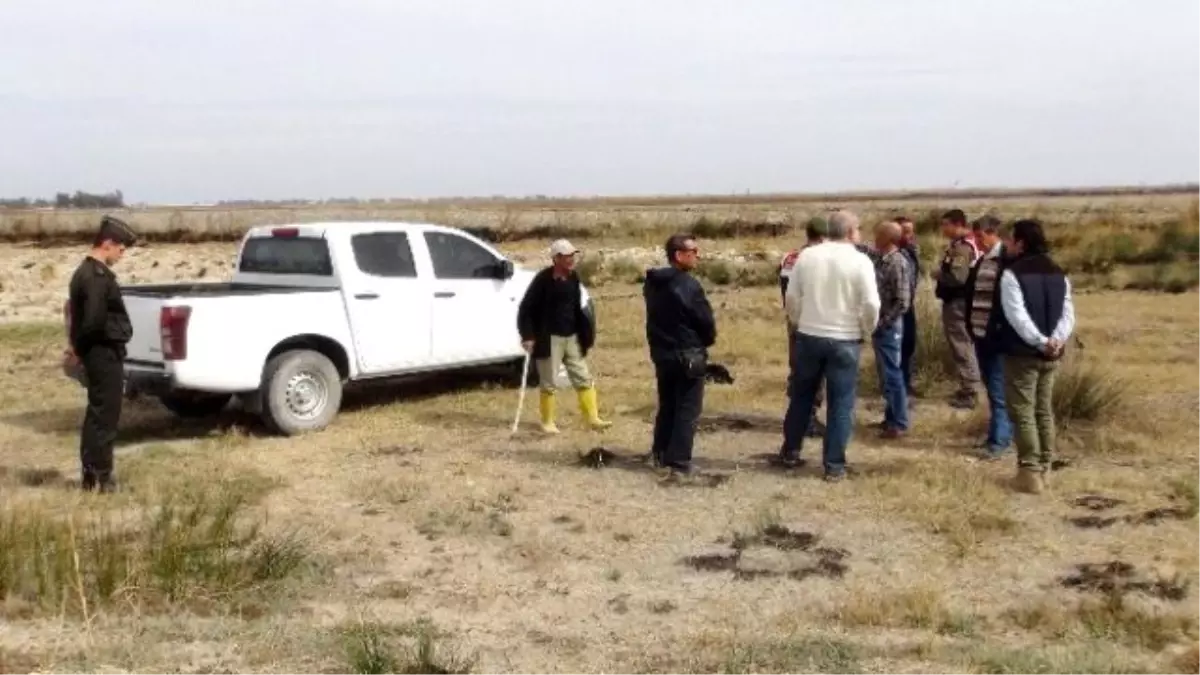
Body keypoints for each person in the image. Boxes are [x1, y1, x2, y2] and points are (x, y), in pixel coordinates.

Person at [776, 210, 880, 481]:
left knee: (801, 396)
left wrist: (799, 323)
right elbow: (871, 303)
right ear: (850, 232)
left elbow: (792, 297)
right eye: (858, 229)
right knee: (841, 403)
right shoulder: (860, 261)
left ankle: (790, 452)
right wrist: (865, 329)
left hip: (809, 335)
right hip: (845, 338)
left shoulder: (807, 257)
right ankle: (834, 466)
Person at [991, 219, 1075, 494]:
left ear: (1022, 243)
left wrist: (1040, 341)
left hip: (1023, 352)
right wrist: (1056, 341)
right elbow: (1067, 314)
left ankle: (1029, 471)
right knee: (1044, 410)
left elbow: (1017, 316)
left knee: (1023, 411)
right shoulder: (1058, 273)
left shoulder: (1012, 274)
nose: (1009, 245)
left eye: (1012, 240)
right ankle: (1046, 467)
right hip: (1052, 354)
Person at [65, 215, 137, 493]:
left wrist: (78, 348)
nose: (122, 253)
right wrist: (81, 350)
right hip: (102, 352)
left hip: (98, 351)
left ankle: (92, 475)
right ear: (107, 243)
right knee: (105, 415)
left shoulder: (85, 272)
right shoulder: (95, 277)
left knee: (98, 413)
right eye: (121, 248)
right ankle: (101, 477)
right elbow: (92, 321)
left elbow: (78, 319)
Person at [516, 239, 611, 434]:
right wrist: (528, 335)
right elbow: (526, 309)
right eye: (567, 256)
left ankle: (593, 418)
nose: (571, 259)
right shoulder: (543, 280)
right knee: (549, 383)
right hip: (549, 339)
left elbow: (576, 308)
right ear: (556, 258)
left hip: (572, 337)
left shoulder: (574, 278)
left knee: (583, 377)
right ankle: (547, 422)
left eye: (572, 256)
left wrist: (584, 334)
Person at [643, 233, 716, 475]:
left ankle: (661, 452)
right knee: (687, 408)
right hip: (688, 354)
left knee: (667, 405)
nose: (698, 255)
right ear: (678, 255)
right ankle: (679, 460)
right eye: (693, 251)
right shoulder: (688, 285)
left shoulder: (653, 282)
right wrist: (706, 341)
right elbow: (704, 321)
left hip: (662, 353)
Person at [963, 215, 1013, 460]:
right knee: (993, 389)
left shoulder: (1008, 261)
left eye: (980, 236)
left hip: (997, 338)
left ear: (993, 233)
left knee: (998, 389)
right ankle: (996, 435)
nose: (977, 241)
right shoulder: (983, 260)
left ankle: (1000, 441)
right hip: (980, 334)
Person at [779, 216, 829, 438]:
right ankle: (808, 418)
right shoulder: (821, 259)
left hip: (794, 320)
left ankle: (798, 416)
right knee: (816, 374)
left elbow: (785, 290)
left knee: (798, 370)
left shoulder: (790, 257)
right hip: (816, 321)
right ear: (824, 236)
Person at [934, 208, 982, 409]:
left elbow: (957, 278)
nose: (943, 229)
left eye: (946, 225)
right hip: (961, 301)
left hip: (958, 302)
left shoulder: (962, 248)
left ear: (957, 224)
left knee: (961, 344)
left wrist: (938, 275)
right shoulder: (960, 245)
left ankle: (970, 390)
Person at [871, 221, 912, 439]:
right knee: (886, 374)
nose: (874, 238)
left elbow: (902, 301)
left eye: (878, 234)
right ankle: (891, 418)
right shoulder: (883, 259)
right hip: (883, 325)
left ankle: (899, 422)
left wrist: (883, 323)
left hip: (889, 326)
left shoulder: (897, 263)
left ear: (887, 238)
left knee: (892, 374)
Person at [896, 217, 920, 398]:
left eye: (911, 231)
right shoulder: (891, 256)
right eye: (904, 231)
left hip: (909, 306)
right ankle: (899, 386)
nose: (909, 235)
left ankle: (907, 381)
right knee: (898, 347)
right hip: (896, 309)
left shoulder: (911, 252)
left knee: (909, 345)